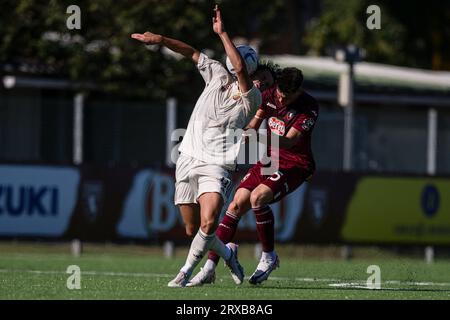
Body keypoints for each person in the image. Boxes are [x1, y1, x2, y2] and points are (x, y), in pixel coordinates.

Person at [132, 5, 262, 287]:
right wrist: (162, 40)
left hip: (217, 164)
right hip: (188, 158)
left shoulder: (252, 97)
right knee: (193, 228)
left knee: (208, 223)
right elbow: (191, 52)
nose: (234, 63)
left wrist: (222, 32)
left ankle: (184, 273)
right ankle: (228, 253)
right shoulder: (215, 72)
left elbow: (239, 67)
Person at [188, 67, 319, 286]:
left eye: (286, 97)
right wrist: (237, 133)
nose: (280, 98)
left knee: (258, 197)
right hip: (270, 161)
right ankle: (210, 268)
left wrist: (255, 136)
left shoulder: (308, 107)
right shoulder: (269, 95)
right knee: (235, 206)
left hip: (296, 165)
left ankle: (268, 256)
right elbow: (253, 124)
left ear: (298, 92)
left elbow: (288, 141)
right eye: (278, 93)